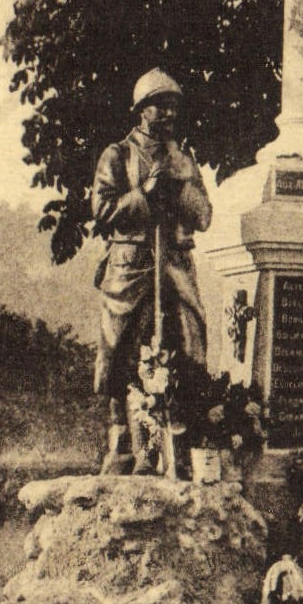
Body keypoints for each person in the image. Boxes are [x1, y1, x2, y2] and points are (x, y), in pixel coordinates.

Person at [92, 70, 212, 473]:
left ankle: (178, 442)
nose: (169, 114)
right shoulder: (117, 154)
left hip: (175, 263)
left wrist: (179, 188)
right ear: (142, 111)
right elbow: (104, 210)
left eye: (174, 106)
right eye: (160, 106)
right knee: (123, 350)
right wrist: (143, 195)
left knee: (188, 343)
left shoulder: (183, 160)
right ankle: (121, 441)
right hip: (131, 265)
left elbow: (204, 216)